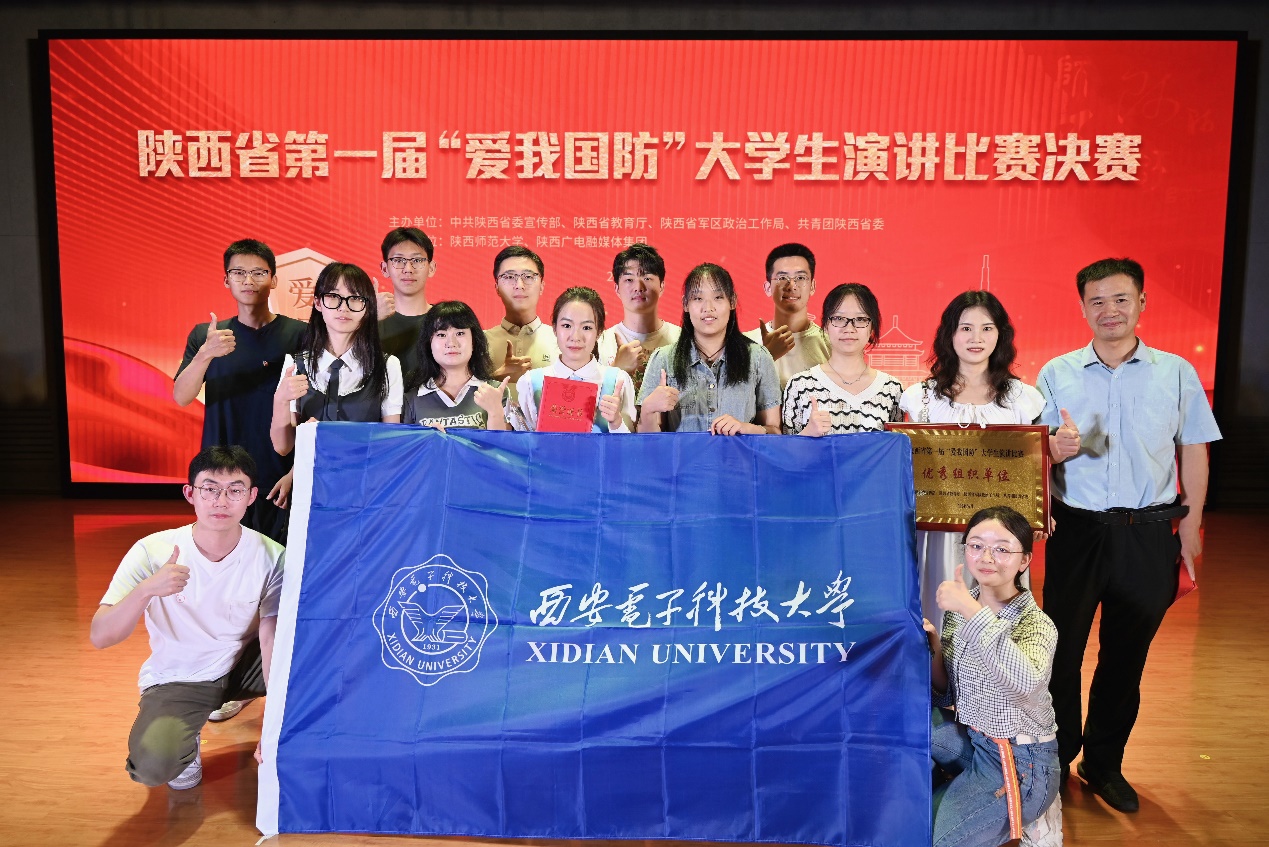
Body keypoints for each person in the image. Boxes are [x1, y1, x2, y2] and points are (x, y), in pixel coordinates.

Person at [1037, 257, 1221, 813]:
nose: (1110, 310)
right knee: (1061, 654)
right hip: (1078, 532)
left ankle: (1103, 764)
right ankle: (1057, 757)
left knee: (1125, 659)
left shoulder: (1176, 372)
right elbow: (1034, 454)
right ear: (1082, 308)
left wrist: (1191, 526)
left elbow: (1194, 450)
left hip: (1148, 533)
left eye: (1121, 299)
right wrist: (1053, 450)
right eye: (1097, 301)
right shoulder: (1057, 372)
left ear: (1142, 302)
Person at [90, 446, 285, 790]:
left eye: (235, 490)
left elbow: (271, 638)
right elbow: (101, 636)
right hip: (182, 677)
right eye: (209, 489)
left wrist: (274, 729)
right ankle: (186, 738)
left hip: (246, 664)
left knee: (316, 655)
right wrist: (146, 590)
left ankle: (240, 700)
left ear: (252, 496)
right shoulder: (153, 550)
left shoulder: (272, 555)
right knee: (151, 767)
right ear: (190, 493)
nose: (221, 501)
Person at [898, 291, 1045, 633]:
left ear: (1000, 335)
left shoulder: (1023, 399)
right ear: (949, 334)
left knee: (998, 627)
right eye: (966, 328)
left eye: (987, 328)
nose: (976, 338)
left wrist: (1039, 509)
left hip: (1001, 535)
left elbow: (1033, 465)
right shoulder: (921, 398)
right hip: (939, 531)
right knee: (937, 618)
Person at [925, 506, 1061, 847]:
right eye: (976, 546)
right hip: (977, 741)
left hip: (1022, 762)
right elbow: (947, 694)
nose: (986, 557)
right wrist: (934, 648)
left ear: (1024, 560)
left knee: (929, 839)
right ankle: (965, 796)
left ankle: (1033, 806)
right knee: (903, 723)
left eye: (1001, 549)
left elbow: (1025, 685)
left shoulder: (1037, 625)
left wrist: (971, 611)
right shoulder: (962, 609)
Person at [173, 239, 305, 545]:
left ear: (273, 279)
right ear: (226, 280)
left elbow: (313, 407)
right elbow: (181, 396)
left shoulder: (300, 334)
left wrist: (296, 471)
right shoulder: (207, 336)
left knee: (280, 557)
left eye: (259, 272)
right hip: (220, 472)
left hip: (278, 471)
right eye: (239, 273)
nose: (248, 280)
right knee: (223, 554)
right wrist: (205, 354)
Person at [271, 262, 403, 457]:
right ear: (318, 303)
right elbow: (283, 448)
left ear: (368, 307)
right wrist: (281, 399)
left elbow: (391, 442)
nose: (343, 307)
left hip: (365, 474)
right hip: (311, 475)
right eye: (333, 297)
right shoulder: (296, 365)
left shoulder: (387, 366)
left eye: (355, 298)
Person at [638, 263, 780, 435]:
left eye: (718, 297)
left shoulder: (758, 358)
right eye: (698, 298)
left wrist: (746, 428)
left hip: (739, 454)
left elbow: (775, 433)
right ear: (685, 304)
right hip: (683, 454)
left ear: (732, 301)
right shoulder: (663, 359)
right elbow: (647, 440)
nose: (708, 308)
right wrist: (647, 410)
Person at [781, 283, 902, 435]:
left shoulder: (891, 388)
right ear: (826, 325)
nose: (849, 328)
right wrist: (808, 433)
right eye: (839, 318)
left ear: (872, 327)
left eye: (860, 319)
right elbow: (787, 448)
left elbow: (897, 447)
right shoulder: (800, 385)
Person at [511, 287, 636, 433]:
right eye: (567, 326)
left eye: (587, 327)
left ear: (599, 332)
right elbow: (522, 441)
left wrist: (616, 422)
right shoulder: (531, 382)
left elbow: (632, 443)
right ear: (554, 329)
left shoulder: (618, 381)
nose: (575, 337)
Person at [402, 300, 510, 431]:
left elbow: (504, 444)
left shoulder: (495, 391)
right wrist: (426, 439)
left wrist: (495, 413)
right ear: (428, 343)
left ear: (474, 340)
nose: (451, 343)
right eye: (441, 335)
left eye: (460, 333)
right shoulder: (412, 399)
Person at [596, 244, 680, 396]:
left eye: (647, 278)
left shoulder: (681, 340)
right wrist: (617, 369)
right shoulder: (601, 343)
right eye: (629, 279)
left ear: (662, 286)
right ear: (617, 288)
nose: (638, 287)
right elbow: (590, 403)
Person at [744, 243, 830, 389]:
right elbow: (734, 396)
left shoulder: (830, 344)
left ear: (812, 286)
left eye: (800, 277)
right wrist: (767, 356)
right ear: (768, 288)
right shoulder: (744, 344)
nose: (791, 286)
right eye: (782, 278)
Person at [484, 246, 559, 404]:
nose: (519, 285)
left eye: (528, 276)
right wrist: (496, 377)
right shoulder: (479, 341)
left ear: (542, 286)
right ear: (497, 287)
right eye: (509, 277)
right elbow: (462, 398)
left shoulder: (561, 340)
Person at [376, 227, 436, 383]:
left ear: (431, 268)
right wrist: (369, 320)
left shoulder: (444, 320)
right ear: (384, 268)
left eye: (417, 260)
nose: (408, 269)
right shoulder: (371, 320)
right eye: (398, 260)